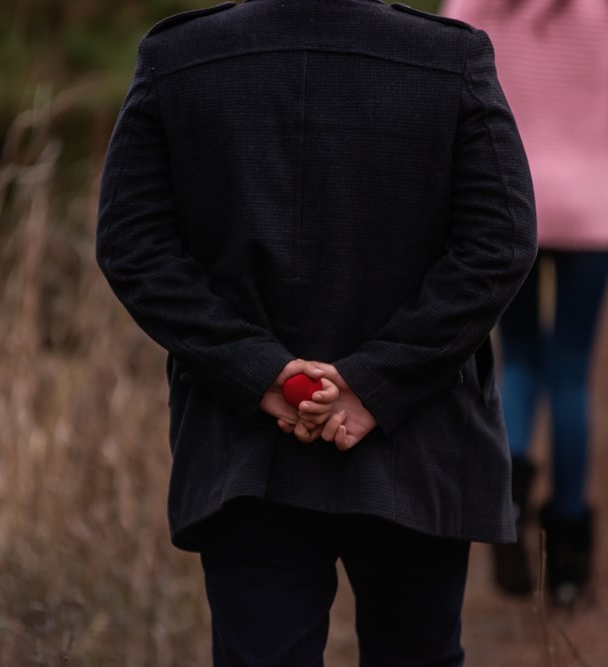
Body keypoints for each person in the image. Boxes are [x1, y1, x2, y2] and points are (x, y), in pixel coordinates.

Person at [95, 0, 537, 662]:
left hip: (246, 447)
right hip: (419, 443)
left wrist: (265, 374)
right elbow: (499, 242)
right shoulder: (451, 61)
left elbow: (133, 245)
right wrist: (371, 384)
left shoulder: (178, 60)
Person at [438, 0, 608, 607]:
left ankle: (509, 498)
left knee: (516, 356)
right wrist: (595, 120)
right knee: (571, 370)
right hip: (591, 200)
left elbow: (450, 80)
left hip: (504, 201)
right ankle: (568, 567)